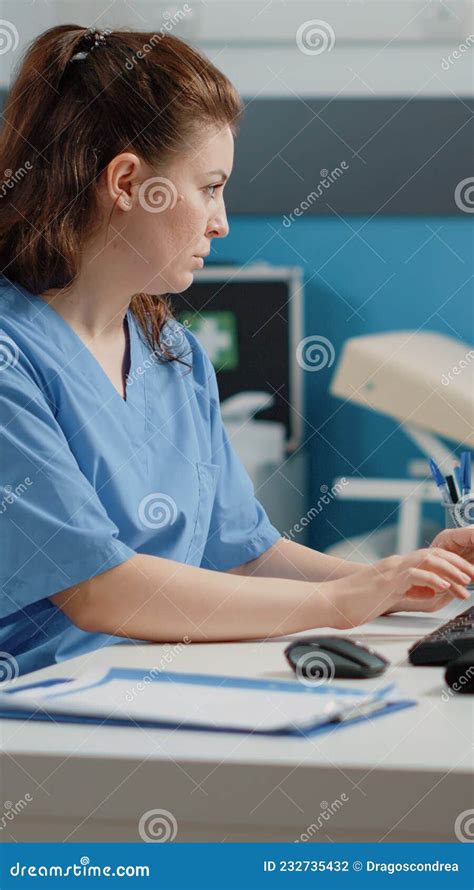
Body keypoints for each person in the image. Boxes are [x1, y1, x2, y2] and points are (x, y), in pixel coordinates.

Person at [0, 26, 473, 677]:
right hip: (36, 712)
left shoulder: (173, 354)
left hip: (151, 685)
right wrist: (337, 604)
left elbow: (243, 552)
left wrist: (395, 581)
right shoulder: (12, 358)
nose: (221, 222)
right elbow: (97, 589)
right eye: (211, 187)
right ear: (129, 181)